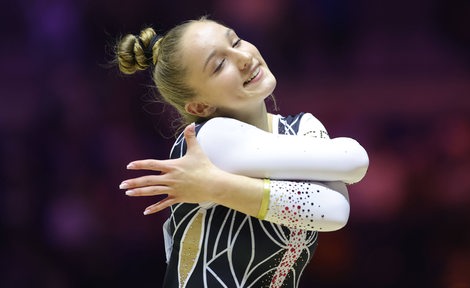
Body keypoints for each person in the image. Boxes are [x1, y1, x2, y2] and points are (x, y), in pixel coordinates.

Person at [115, 16, 368, 288]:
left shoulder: (302, 126)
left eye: (235, 41)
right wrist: (217, 185)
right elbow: (332, 209)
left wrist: (216, 185)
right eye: (220, 64)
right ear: (200, 107)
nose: (243, 57)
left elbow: (352, 169)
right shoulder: (208, 140)